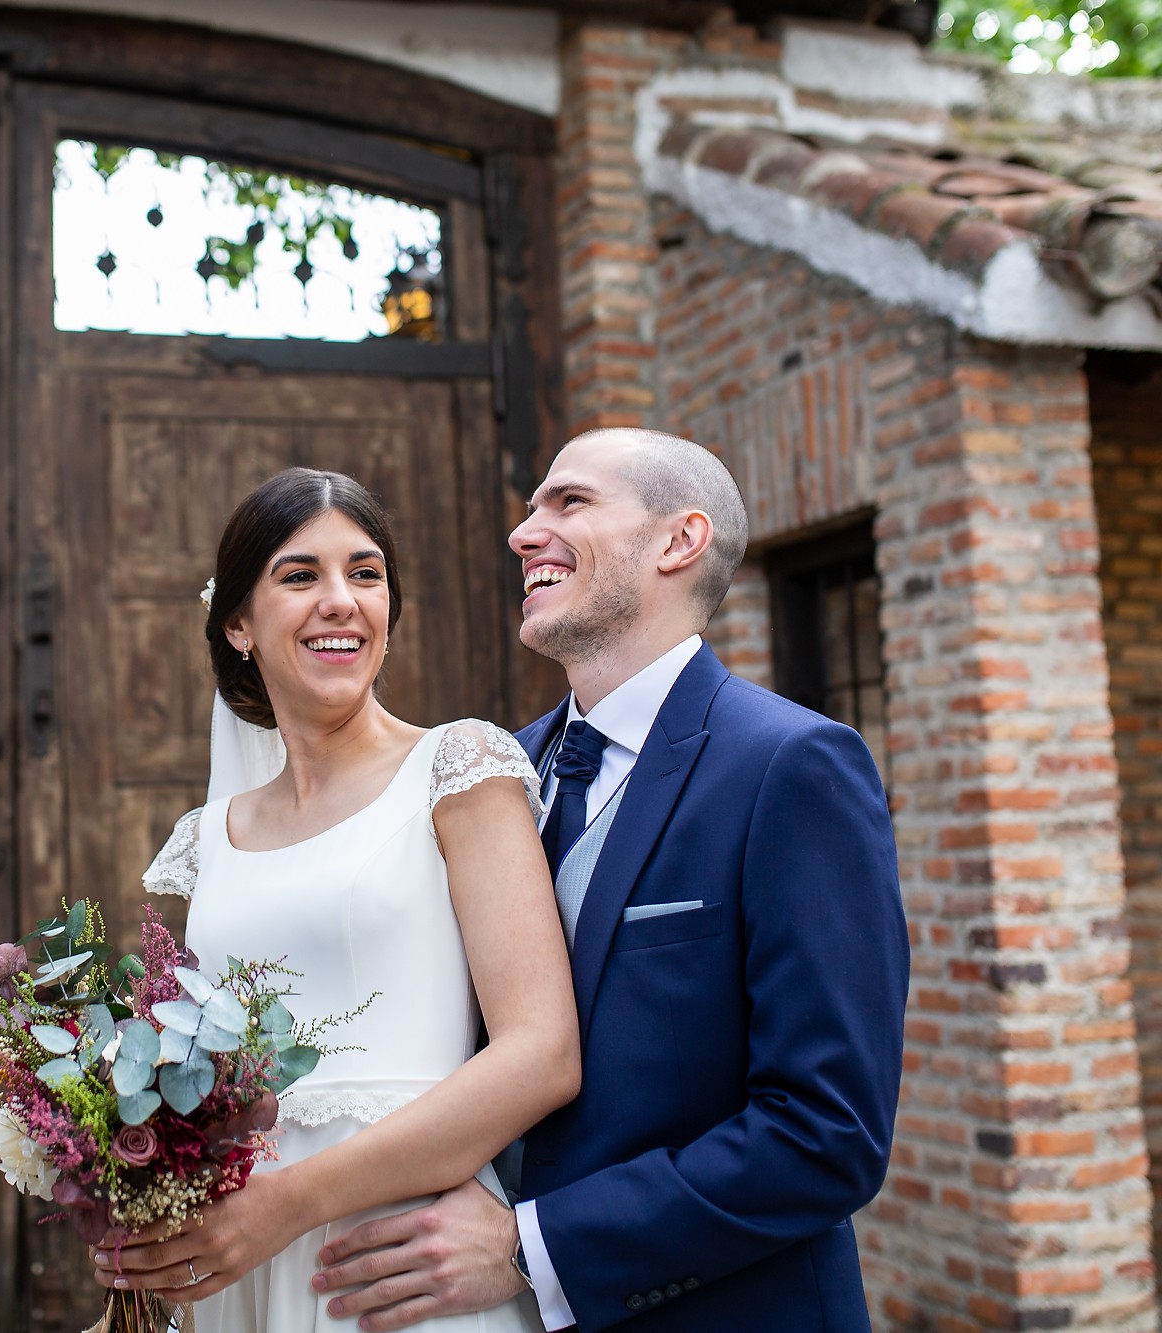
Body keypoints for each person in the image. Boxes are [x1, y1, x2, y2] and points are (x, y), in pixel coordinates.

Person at [312, 428, 909, 1331]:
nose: (523, 533)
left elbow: (826, 1136)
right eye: (529, 508)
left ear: (679, 540)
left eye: (569, 502)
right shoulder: (499, 772)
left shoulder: (793, 766)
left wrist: (531, 1248)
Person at [94, 466, 581, 1333]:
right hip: (244, 1254)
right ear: (237, 623)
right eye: (299, 575)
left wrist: (290, 1202)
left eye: (364, 574)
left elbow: (542, 1052)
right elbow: (197, 1073)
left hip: (397, 1253)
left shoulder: (459, 768)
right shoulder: (211, 836)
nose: (340, 601)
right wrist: (139, 1189)